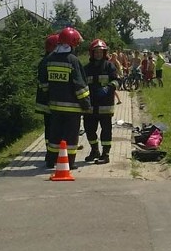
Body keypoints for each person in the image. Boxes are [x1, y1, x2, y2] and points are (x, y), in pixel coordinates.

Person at [40, 27, 91, 170]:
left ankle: (51, 161)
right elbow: (80, 85)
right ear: (72, 43)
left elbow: (44, 84)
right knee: (71, 135)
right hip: (72, 108)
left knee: (54, 134)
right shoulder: (73, 61)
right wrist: (86, 103)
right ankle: (69, 161)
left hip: (55, 107)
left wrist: (50, 94)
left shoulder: (49, 59)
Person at [83, 39, 120, 164]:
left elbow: (117, 81)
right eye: (96, 52)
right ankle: (94, 150)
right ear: (92, 53)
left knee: (106, 130)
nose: (98, 54)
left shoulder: (109, 66)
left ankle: (105, 154)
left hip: (105, 105)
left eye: (100, 52)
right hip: (90, 105)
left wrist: (108, 88)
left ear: (104, 53)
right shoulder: (86, 68)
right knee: (89, 129)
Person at [35, 33, 59, 166]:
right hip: (49, 101)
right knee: (51, 128)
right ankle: (51, 154)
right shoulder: (48, 61)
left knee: (49, 127)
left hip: (46, 101)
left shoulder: (45, 60)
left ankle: (50, 153)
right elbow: (45, 84)